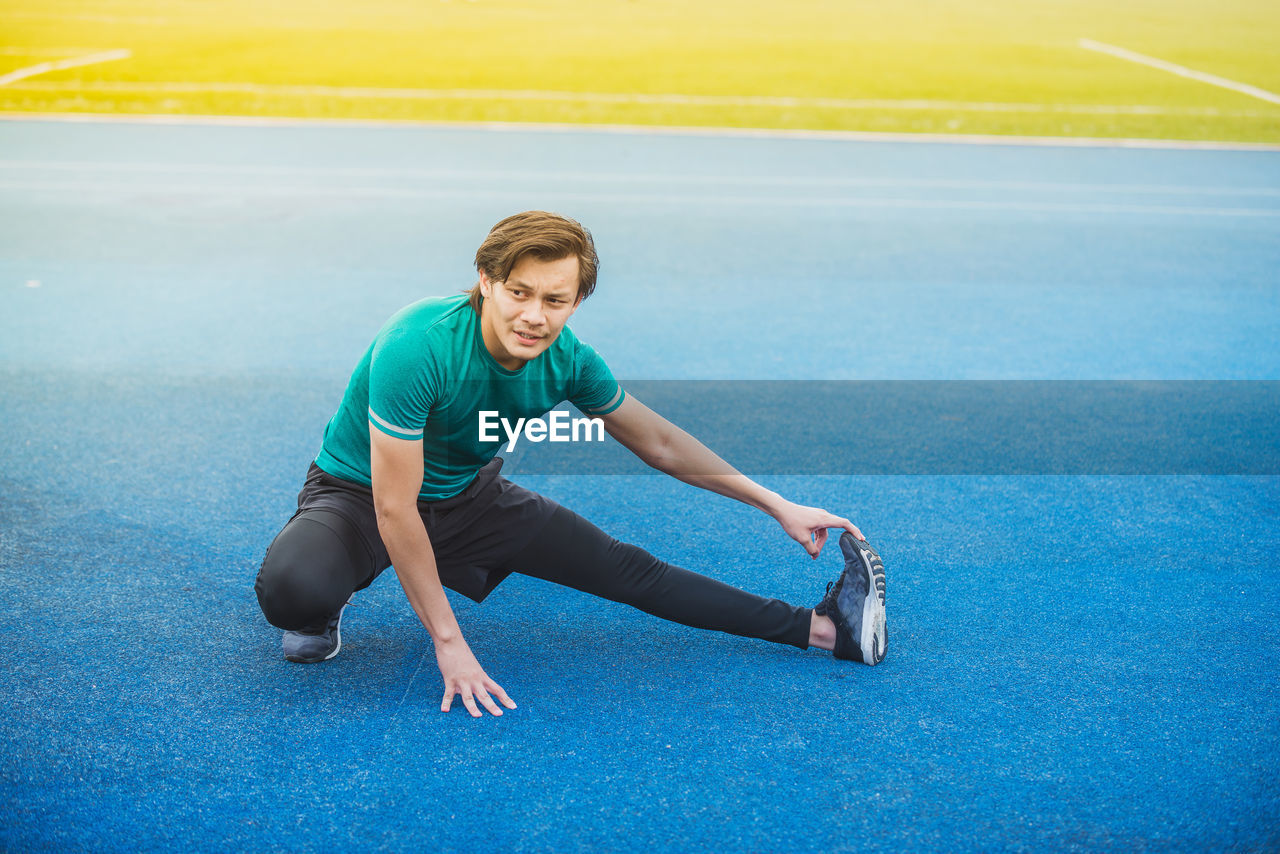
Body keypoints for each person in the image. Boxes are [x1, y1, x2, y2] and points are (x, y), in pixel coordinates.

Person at [255, 211, 887, 718]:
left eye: (555, 299)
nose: (534, 315)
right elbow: (395, 507)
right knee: (294, 588)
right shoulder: (418, 344)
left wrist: (777, 504)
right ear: (486, 280)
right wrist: (449, 644)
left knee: (630, 571)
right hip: (360, 495)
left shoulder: (571, 362)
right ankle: (324, 599)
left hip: (465, 497)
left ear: (577, 301)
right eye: (518, 292)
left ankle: (828, 631)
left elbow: (661, 445)